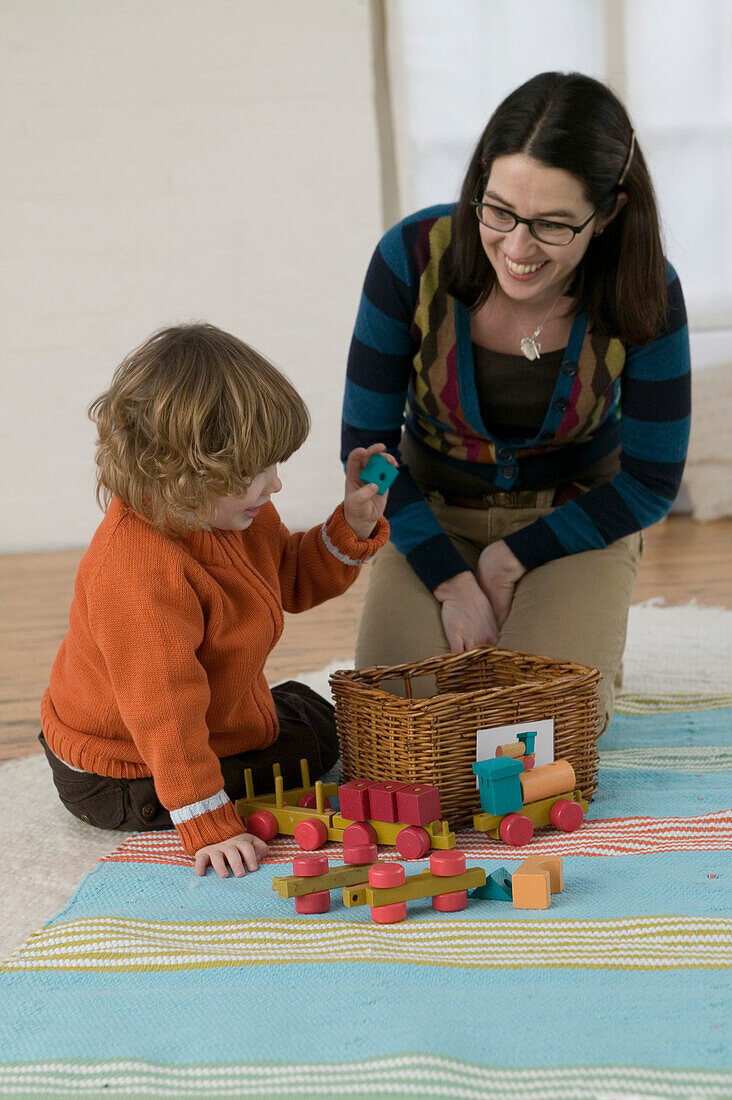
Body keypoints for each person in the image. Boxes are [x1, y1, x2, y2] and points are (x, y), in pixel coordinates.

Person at [342, 71, 691, 728]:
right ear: (479, 183)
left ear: (608, 213)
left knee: (539, 735)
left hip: (574, 524)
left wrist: (512, 560)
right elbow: (371, 454)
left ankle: (585, 631)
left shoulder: (648, 292)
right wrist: (448, 578)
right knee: (394, 727)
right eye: (498, 210)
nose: (517, 249)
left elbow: (649, 482)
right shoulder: (409, 261)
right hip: (429, 514)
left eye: (554, 225)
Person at [41, 323, 391, 877]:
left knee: (315, 712)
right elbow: (165, 713)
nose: (273, 485)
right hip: (121, 770)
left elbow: (291, 579)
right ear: (176, 472)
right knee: (310, 745)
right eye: (254, 473)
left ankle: (243, 750)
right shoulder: (137, 569)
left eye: (274, 465)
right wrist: (207, 823)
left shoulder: (233, 512)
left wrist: (348, 526)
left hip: (187, 722)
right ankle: (192, 798)